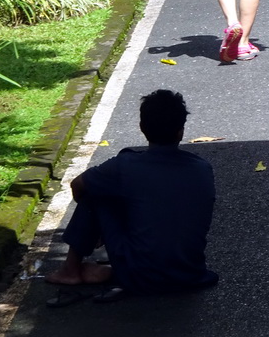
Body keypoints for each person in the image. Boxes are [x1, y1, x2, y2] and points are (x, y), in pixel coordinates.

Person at [45, 90, 217, 301]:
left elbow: (78, 185)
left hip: (139, 278)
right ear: (181, 131)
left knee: (95, 192)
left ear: (142, 128)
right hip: (190, 273)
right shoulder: (202, 168)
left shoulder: (124, 166)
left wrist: (97, 222)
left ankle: (70, 271)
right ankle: (124, 265)